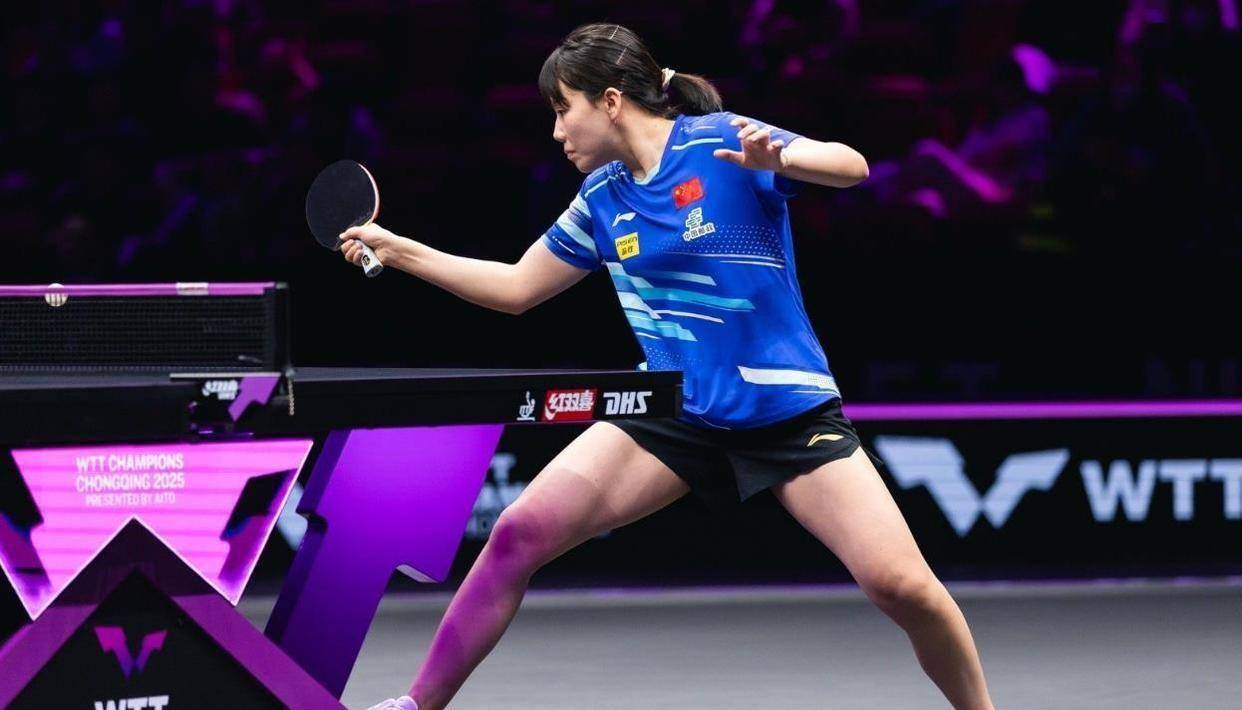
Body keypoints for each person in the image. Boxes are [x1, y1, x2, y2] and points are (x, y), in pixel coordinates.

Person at [355, 23, 993, 710]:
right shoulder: (601, 197)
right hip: (674, 408)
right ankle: (416, 705)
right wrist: (399, 251)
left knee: (902, 586)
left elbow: (852, 166)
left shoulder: (719, 142)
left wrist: (779, 156)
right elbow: (516, 288)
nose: (556, 131)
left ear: (608, 101)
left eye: (563, 109)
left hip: (785, 410)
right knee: (517, 533)